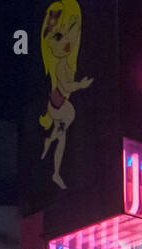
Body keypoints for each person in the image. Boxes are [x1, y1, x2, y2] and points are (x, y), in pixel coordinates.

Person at [39, 1, 93, 190]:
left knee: (62, 136)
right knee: (68, 121)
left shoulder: (65, 62)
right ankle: (52, 150)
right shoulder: (62, 65)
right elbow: (66, 84)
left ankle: (52, 152)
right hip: (60, 105)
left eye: (72, 31)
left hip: (57, 105)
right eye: (59, 36)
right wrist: (81, 85)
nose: (67, 41)